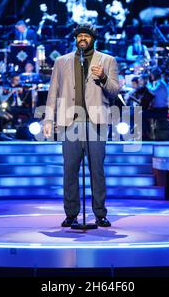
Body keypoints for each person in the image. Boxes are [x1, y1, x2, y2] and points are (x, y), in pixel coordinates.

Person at [43, 23, 120, 228]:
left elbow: (114, 91)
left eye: (86, 36)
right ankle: (71, 214)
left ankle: (100, 214)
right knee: (70, 170)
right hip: (70, 122)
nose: (82, 39)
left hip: (96, 122)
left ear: (93, 39)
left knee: (97, 170)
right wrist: (48, 120)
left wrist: (103, 76)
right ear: (75, 39)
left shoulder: (108, 60)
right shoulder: (61, 62)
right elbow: (53, 93)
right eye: (79, 36)